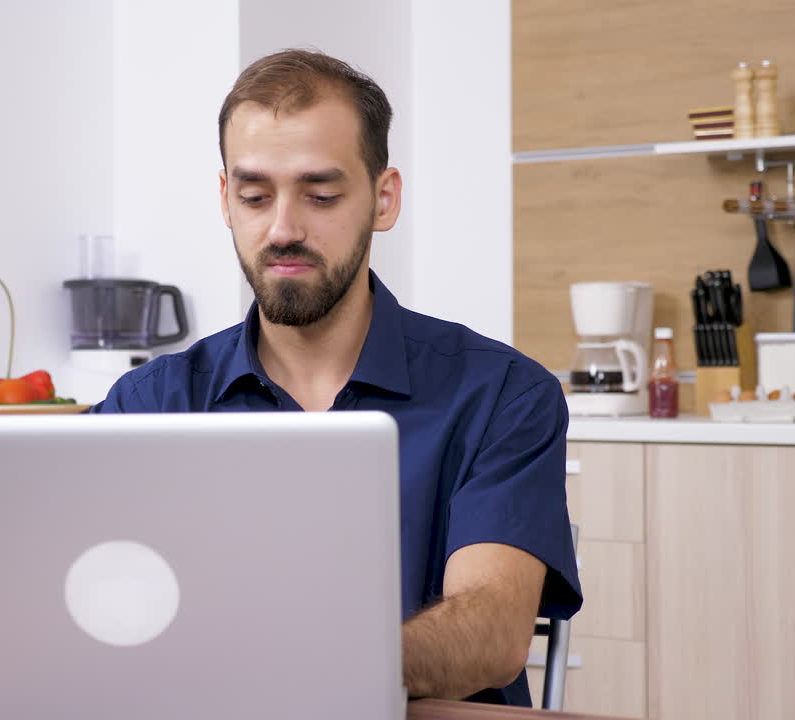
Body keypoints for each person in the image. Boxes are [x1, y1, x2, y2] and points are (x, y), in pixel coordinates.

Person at [93, 48, 580, 706]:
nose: (283, 229)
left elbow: (491, 633)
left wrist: (284, 675)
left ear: (383, 199)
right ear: (225, 201)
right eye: (255, 196)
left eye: (320, 195)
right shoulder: (147, 407)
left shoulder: (501, 395)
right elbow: (90, 612)